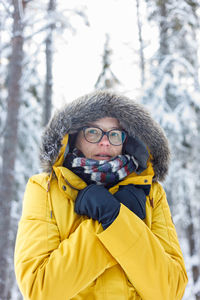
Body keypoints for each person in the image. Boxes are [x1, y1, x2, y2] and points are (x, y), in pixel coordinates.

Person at [14, 90, 188, 300]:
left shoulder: (152, 193)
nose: (105, 143)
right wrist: (113, 219)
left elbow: (170, 291)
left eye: (114, 134)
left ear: (126, 141)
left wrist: (115, 217)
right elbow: (40, 289)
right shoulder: (45, 189)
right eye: (94, 133)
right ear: (75, 136)